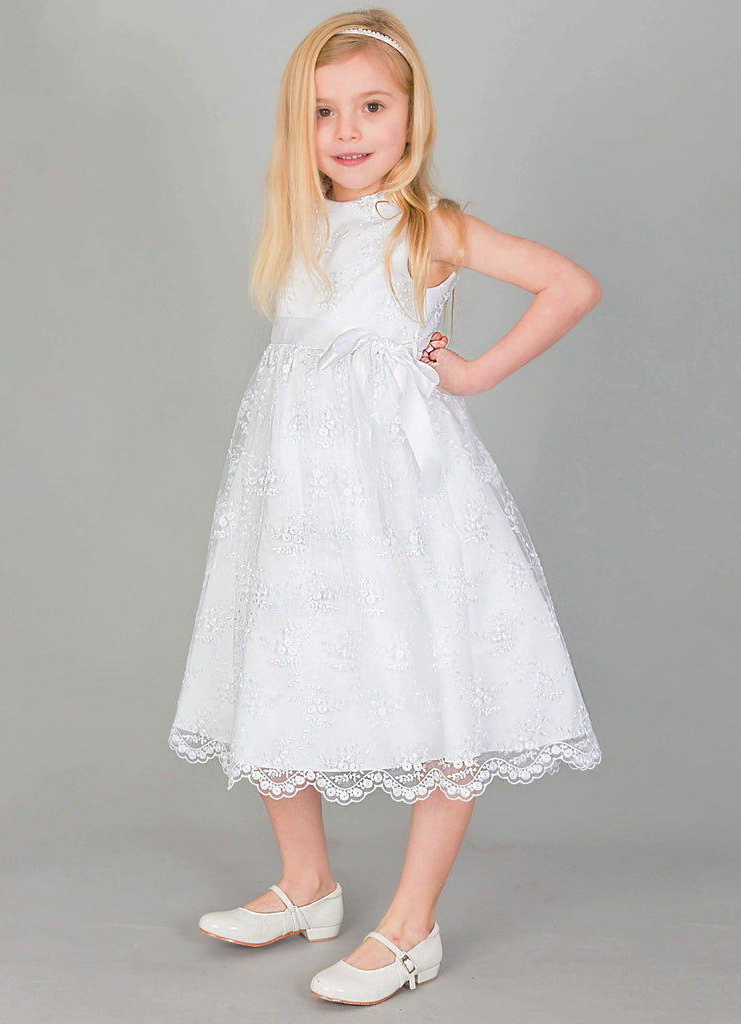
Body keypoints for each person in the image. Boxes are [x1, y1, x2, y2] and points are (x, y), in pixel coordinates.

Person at [168, 8, 603, 1006]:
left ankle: (412, 926)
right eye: (324, 112)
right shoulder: (304, 224)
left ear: (412, 115)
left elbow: (566, 286)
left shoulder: (429, 227)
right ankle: (306, 882)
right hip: (297, 512)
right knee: (277, 664)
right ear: (298, 127)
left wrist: (476, 371)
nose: (349, 130)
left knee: (436, 680)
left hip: (404, 507)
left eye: (372, 106)